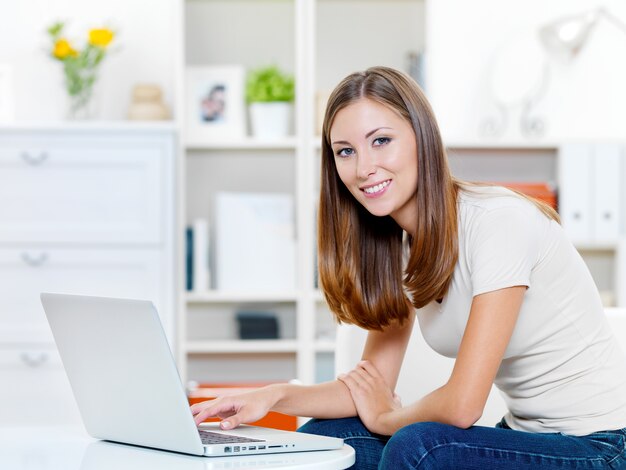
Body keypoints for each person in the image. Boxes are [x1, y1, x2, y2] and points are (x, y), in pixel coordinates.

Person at [190, 66, 626, 469]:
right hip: (524, 437)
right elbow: (369, 384)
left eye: (381, 141)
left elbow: (461, 405)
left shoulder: (498, 222)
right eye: (345, 151)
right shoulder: (399, 246)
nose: (363, 168)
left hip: (602, 446)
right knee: (332, 439)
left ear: (421, 136)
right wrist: (274, 395)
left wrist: (385, 417)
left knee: (420, 447)